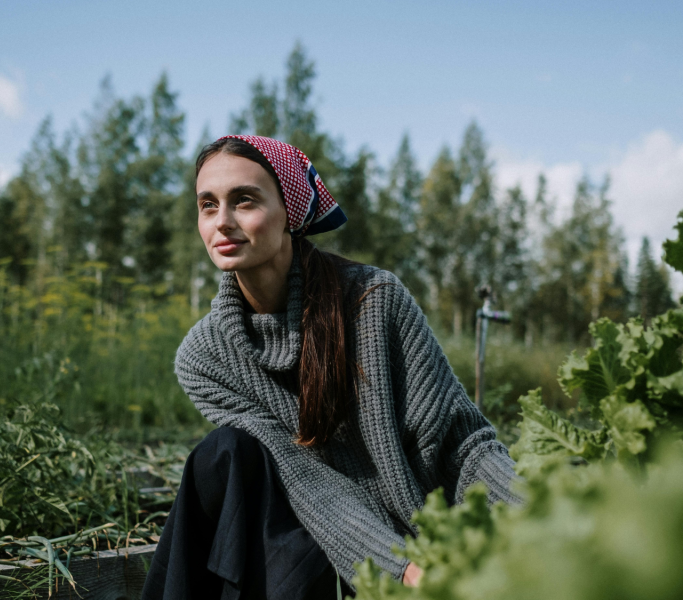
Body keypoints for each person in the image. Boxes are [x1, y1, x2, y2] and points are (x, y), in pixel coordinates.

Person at [141, 135, 521, 600]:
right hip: (318, 540)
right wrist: (399, 569)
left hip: (432, 531)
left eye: (244, 201)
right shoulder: (205, 357)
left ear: (291, 213)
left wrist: (537, 518)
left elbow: (462, 444)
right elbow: (305, 480)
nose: (222, 222)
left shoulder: (373, 301)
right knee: (223, 454)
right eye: (207, 205)